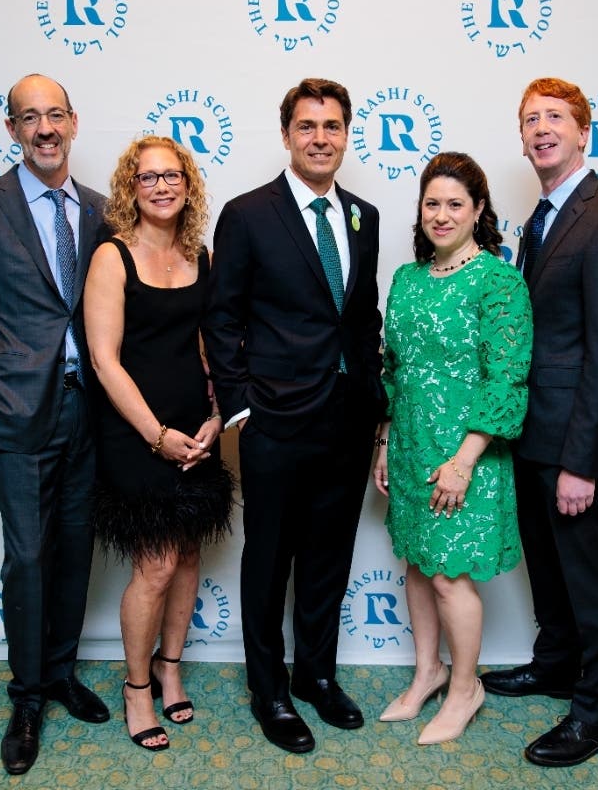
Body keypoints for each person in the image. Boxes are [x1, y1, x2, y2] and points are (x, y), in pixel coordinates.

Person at [202, 78, 385, 753]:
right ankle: (268, 691)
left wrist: (374, 405)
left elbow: (360, 318)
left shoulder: (362, 213)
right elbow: (221, 318)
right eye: (306, 126)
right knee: (269, 558)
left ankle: (315, 676)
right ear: (286, 135)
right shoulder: (249, 213)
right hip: (274, 419)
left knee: (328, 559)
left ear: (345, 135)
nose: (319, 138)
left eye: (332, 126)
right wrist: (241, 406)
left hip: (346, 418)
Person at [0, 74, 109, 776]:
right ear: (10, 130)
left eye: (55, 115)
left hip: (89, 409)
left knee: (75, 548)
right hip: (17, 412)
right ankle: (27, 693)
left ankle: (63, 672)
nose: (44, 128)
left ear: (74, 123)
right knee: (29, 556)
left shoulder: (100, 210)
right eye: (28, 117)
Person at [479, 77, 598, 768]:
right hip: (534, 432)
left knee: (589, 578)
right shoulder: (544, 218)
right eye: (528, 119)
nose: (539, 128)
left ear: (583, 131)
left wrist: (583, 460)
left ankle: (596, 714)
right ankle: (554, 664)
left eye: (554, 117)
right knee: (547, 571)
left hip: (574, 442)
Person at [372, 152, 532, 745]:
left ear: (479, 211)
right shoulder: (408, 279)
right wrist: (385, 440)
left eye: (455, 205)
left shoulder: (498, 281)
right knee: (417, 564)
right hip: (412, 443)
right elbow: (393, 367)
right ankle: (428, 672)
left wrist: (464, 460)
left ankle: (466, 688)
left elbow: (507, 376)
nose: (442, 216)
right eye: (432, 203)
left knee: (450, 578)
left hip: (467, 453)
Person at [83, 136, 233, 752]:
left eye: (173, 176)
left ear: (188, 185)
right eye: (148, 178)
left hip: (195, 425)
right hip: (134, 430)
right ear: (131, 188)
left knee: (191, 554)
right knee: (157, 563)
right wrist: (156, 437)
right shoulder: (112, 257)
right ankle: (137, 687)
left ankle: (172, 667)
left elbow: (210, 344)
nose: (162, 186)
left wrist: (217, 416)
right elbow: (104, 360)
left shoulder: (201, 253)